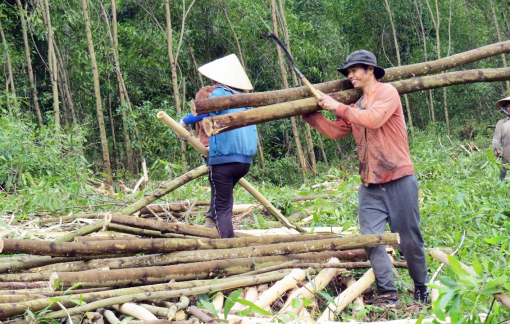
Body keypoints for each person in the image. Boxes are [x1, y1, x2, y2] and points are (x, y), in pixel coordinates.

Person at [301, 50, 429, 303]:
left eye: (354, 70)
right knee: (370, 239)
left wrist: (337, 106)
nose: (350, 75)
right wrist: (311, 116)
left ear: (370, 70)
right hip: (370, 185)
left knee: (409, 240)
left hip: (399, 180)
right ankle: (388, 291)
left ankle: (421, 286)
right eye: (347, 71)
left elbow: (374, 119)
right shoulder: (356, 105)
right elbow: (337, 131)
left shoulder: (386, 93)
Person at [180, 54, 258, 238]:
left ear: (218, 79)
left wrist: (184, 121)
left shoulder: (220, 94)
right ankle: (212, 228)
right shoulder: (247, 101)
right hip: (244, 162)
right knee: (223, 197)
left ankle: (228, 249)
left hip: (224, 159)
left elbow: (203, 110)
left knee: (222, 208)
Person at [493, 97, 510, 181]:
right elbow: (496, 139)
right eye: (508, 106)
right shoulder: (501, 123)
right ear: (505, 108)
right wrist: (496, 148)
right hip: (506, 158)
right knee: (503, 182)